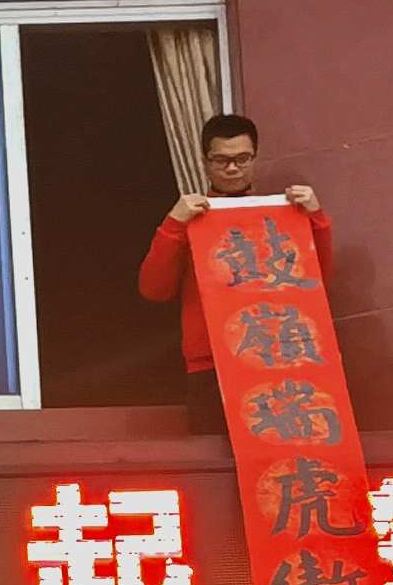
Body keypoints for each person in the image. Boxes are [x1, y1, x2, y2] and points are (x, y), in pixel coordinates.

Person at [140, 114, 329, 421]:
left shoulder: (280, 216)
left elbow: (317, 283)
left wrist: (316, 220)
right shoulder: (187, 219)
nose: (232, 168)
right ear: (205, 162)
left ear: (255, 158)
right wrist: (173, 225)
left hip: (276, 359)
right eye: (221, 160)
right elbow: (154, 289)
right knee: (212, 452)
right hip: (209, 365)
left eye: (242, 159)